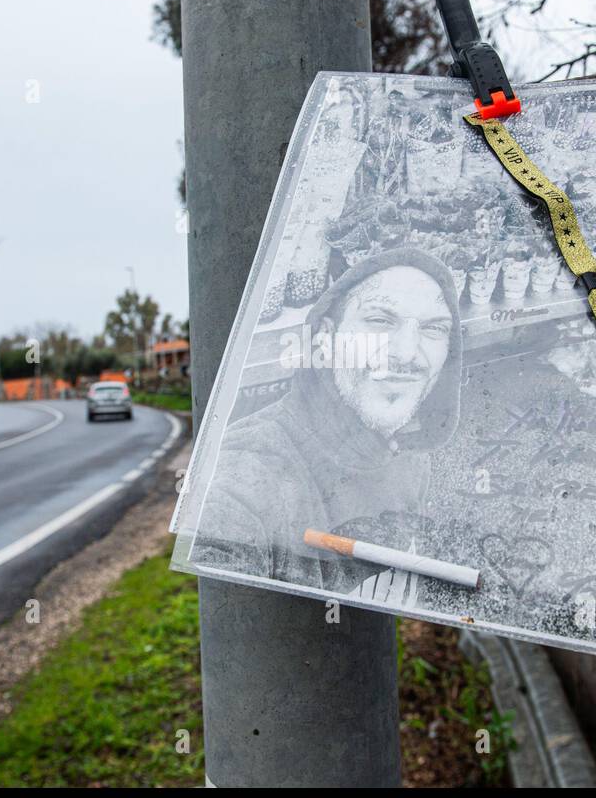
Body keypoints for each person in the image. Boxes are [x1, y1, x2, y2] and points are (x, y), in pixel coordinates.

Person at [190, 247, 463, 601]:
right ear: (326, 338)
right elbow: (221, 575)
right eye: (380, 321)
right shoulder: (247, 469)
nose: (407, 353)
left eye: (433, 328)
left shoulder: (410, 456)